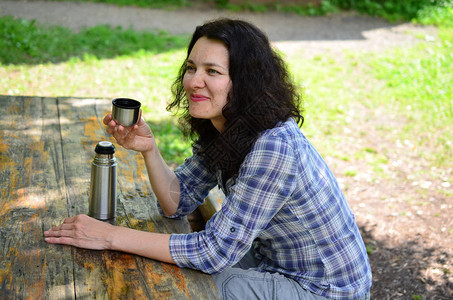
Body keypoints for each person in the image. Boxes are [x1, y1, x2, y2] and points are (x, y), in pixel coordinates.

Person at [45, 18, 372, 299]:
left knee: (191, 285)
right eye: (191, 68)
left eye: (212, 71)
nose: (193, 81)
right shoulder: (225, 128)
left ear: (244, 83)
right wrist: (149, 149)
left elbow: (213, 253)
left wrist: (108, 235)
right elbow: (178, 202)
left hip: (325, 289)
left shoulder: (274, 146)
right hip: (272, 262)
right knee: (164, 262)